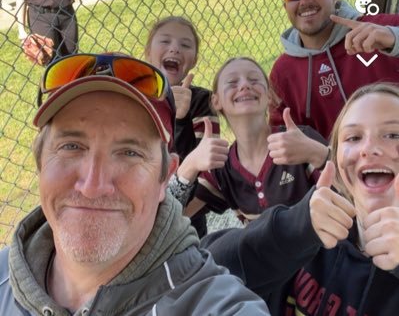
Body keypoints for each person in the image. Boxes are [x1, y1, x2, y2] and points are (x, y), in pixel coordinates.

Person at [0, 53, 271, 315]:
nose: (93, 186)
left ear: (165, 178)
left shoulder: (212, 303)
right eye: (71, 146)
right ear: (39, 162)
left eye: (130, 152)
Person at [202, 82, 399, 315]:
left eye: (393, 134)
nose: (368, 148)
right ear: (335, 159)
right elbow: (203, 271)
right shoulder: (311, 236)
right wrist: (296, 227)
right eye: (353, 137)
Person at [173, 57, 328, 224]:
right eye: (232, 82)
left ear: (269, 96)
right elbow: (173, 217)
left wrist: (318, 153)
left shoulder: (299, 140)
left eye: (254, 80)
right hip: (262, 250)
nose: (245, 85)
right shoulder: (222, 167)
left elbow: (351, 190)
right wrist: (190, 164)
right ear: (216, 101)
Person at [269, 0, 399, 140]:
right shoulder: (283, 72)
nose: (305, 0)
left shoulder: (376, 31)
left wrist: (395, 40)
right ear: (285, 6)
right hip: (335, 166)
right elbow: (281, 139)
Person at [144, 16, 220, 237]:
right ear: (148, 51)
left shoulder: (201, 101)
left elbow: (204, 170)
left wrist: (180, 119)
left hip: (188, 223)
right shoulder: (137, 100)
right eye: (165, 42)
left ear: (194, 59)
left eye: (185, 45)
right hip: (141, 216)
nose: (175, 49)